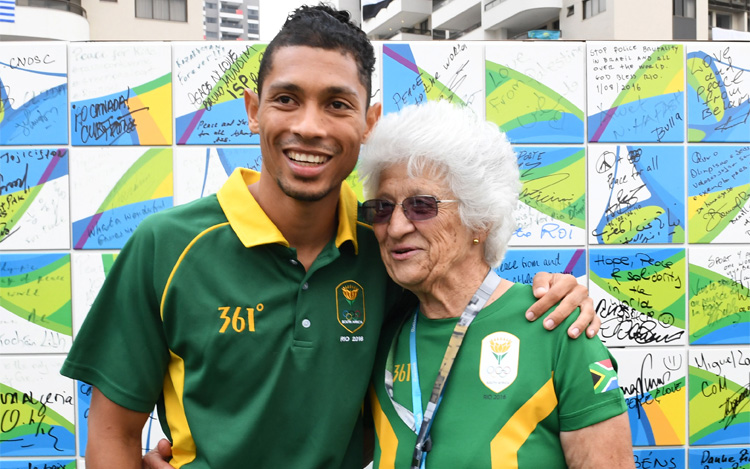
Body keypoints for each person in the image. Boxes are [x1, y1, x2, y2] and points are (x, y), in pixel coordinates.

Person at [62, 5, 598, 468]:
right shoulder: (167, 245)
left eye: (337, 104)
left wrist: (560, 292)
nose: (310, 127)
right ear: (253, 110)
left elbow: (466, 294)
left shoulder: (385, 242)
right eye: (287, 99)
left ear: (368, 123)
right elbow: (111, 430)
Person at [359, 100, 633, 468]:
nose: (395, 228)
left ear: (480, 219)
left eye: (421, 206)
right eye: (382, 208)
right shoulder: (378, 335)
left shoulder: (557, 326)